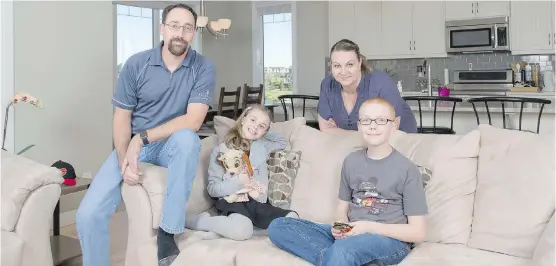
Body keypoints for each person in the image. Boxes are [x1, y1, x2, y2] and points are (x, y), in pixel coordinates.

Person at [76, 4, 215, 266]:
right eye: (174, 25)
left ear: (193, 33)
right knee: (88, 214)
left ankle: (168, 231)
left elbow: (194, 120)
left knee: (188, 139)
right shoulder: (136, 64)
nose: (180, 33)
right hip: (134, 146)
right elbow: (121, 117)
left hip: (168, 144)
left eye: (187, 28)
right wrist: (123, 158)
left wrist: (142, 137)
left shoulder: (202, 67)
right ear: (162, 28)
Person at [267, 97, 428, 266]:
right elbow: (341, 209)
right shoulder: (351, 161)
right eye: (366, 120)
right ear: (359, 125)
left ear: (393, 125)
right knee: (279, 226)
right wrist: (341, 224)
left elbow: (418, 232)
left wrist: (368, 227)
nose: (372, 126)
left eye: (381, 120)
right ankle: (345, 260)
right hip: (351, 233)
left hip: (389, 240)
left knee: (344, 250)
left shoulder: (407, 169)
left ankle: (342, 257)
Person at [186, 105, 298, 240]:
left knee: (293, 219)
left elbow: (282, 142)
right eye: (252, 120)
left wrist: (267, 130)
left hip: (258, 203)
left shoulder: (262, 146)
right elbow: (212, 189)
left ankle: (228, 230)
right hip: (233, 202)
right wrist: (239, 182)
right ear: (243, 119)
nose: (255, 127)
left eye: (262, 126)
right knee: (242, 230)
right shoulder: (222, 150)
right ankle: (200, 221)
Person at [318, 39, 418, 134]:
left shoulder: (381, 82)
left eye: (349, 65)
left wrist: (339, 131)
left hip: (401, 141)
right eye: (337, 65)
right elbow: (325, 128)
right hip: (354, 145)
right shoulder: (327, 85)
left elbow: (391, 131)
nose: (343, 72)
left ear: (359, 62)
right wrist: (367, 133)